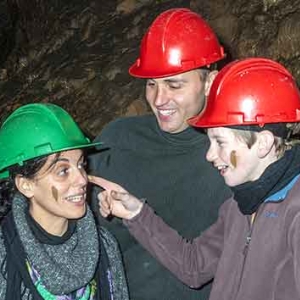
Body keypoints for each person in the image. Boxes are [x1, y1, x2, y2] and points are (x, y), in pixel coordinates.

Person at [90, 57, 300, 300]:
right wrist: (136, 213)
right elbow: (194, 267)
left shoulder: (293, 211)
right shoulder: (238, 207)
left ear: (263, 143)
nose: (210, 154)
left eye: (220, 142)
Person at [89, 8, 231, 300]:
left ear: (209, 81)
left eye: (174, 85)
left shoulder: (236, 156)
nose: (158, 99)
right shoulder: (118, 141)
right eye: (151, 84)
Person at [0, 103, 129, 299]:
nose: (82, 179)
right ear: (26, 185)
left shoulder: (105, 246)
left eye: (81, 164)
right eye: (62, 171)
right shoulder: (4, 257)